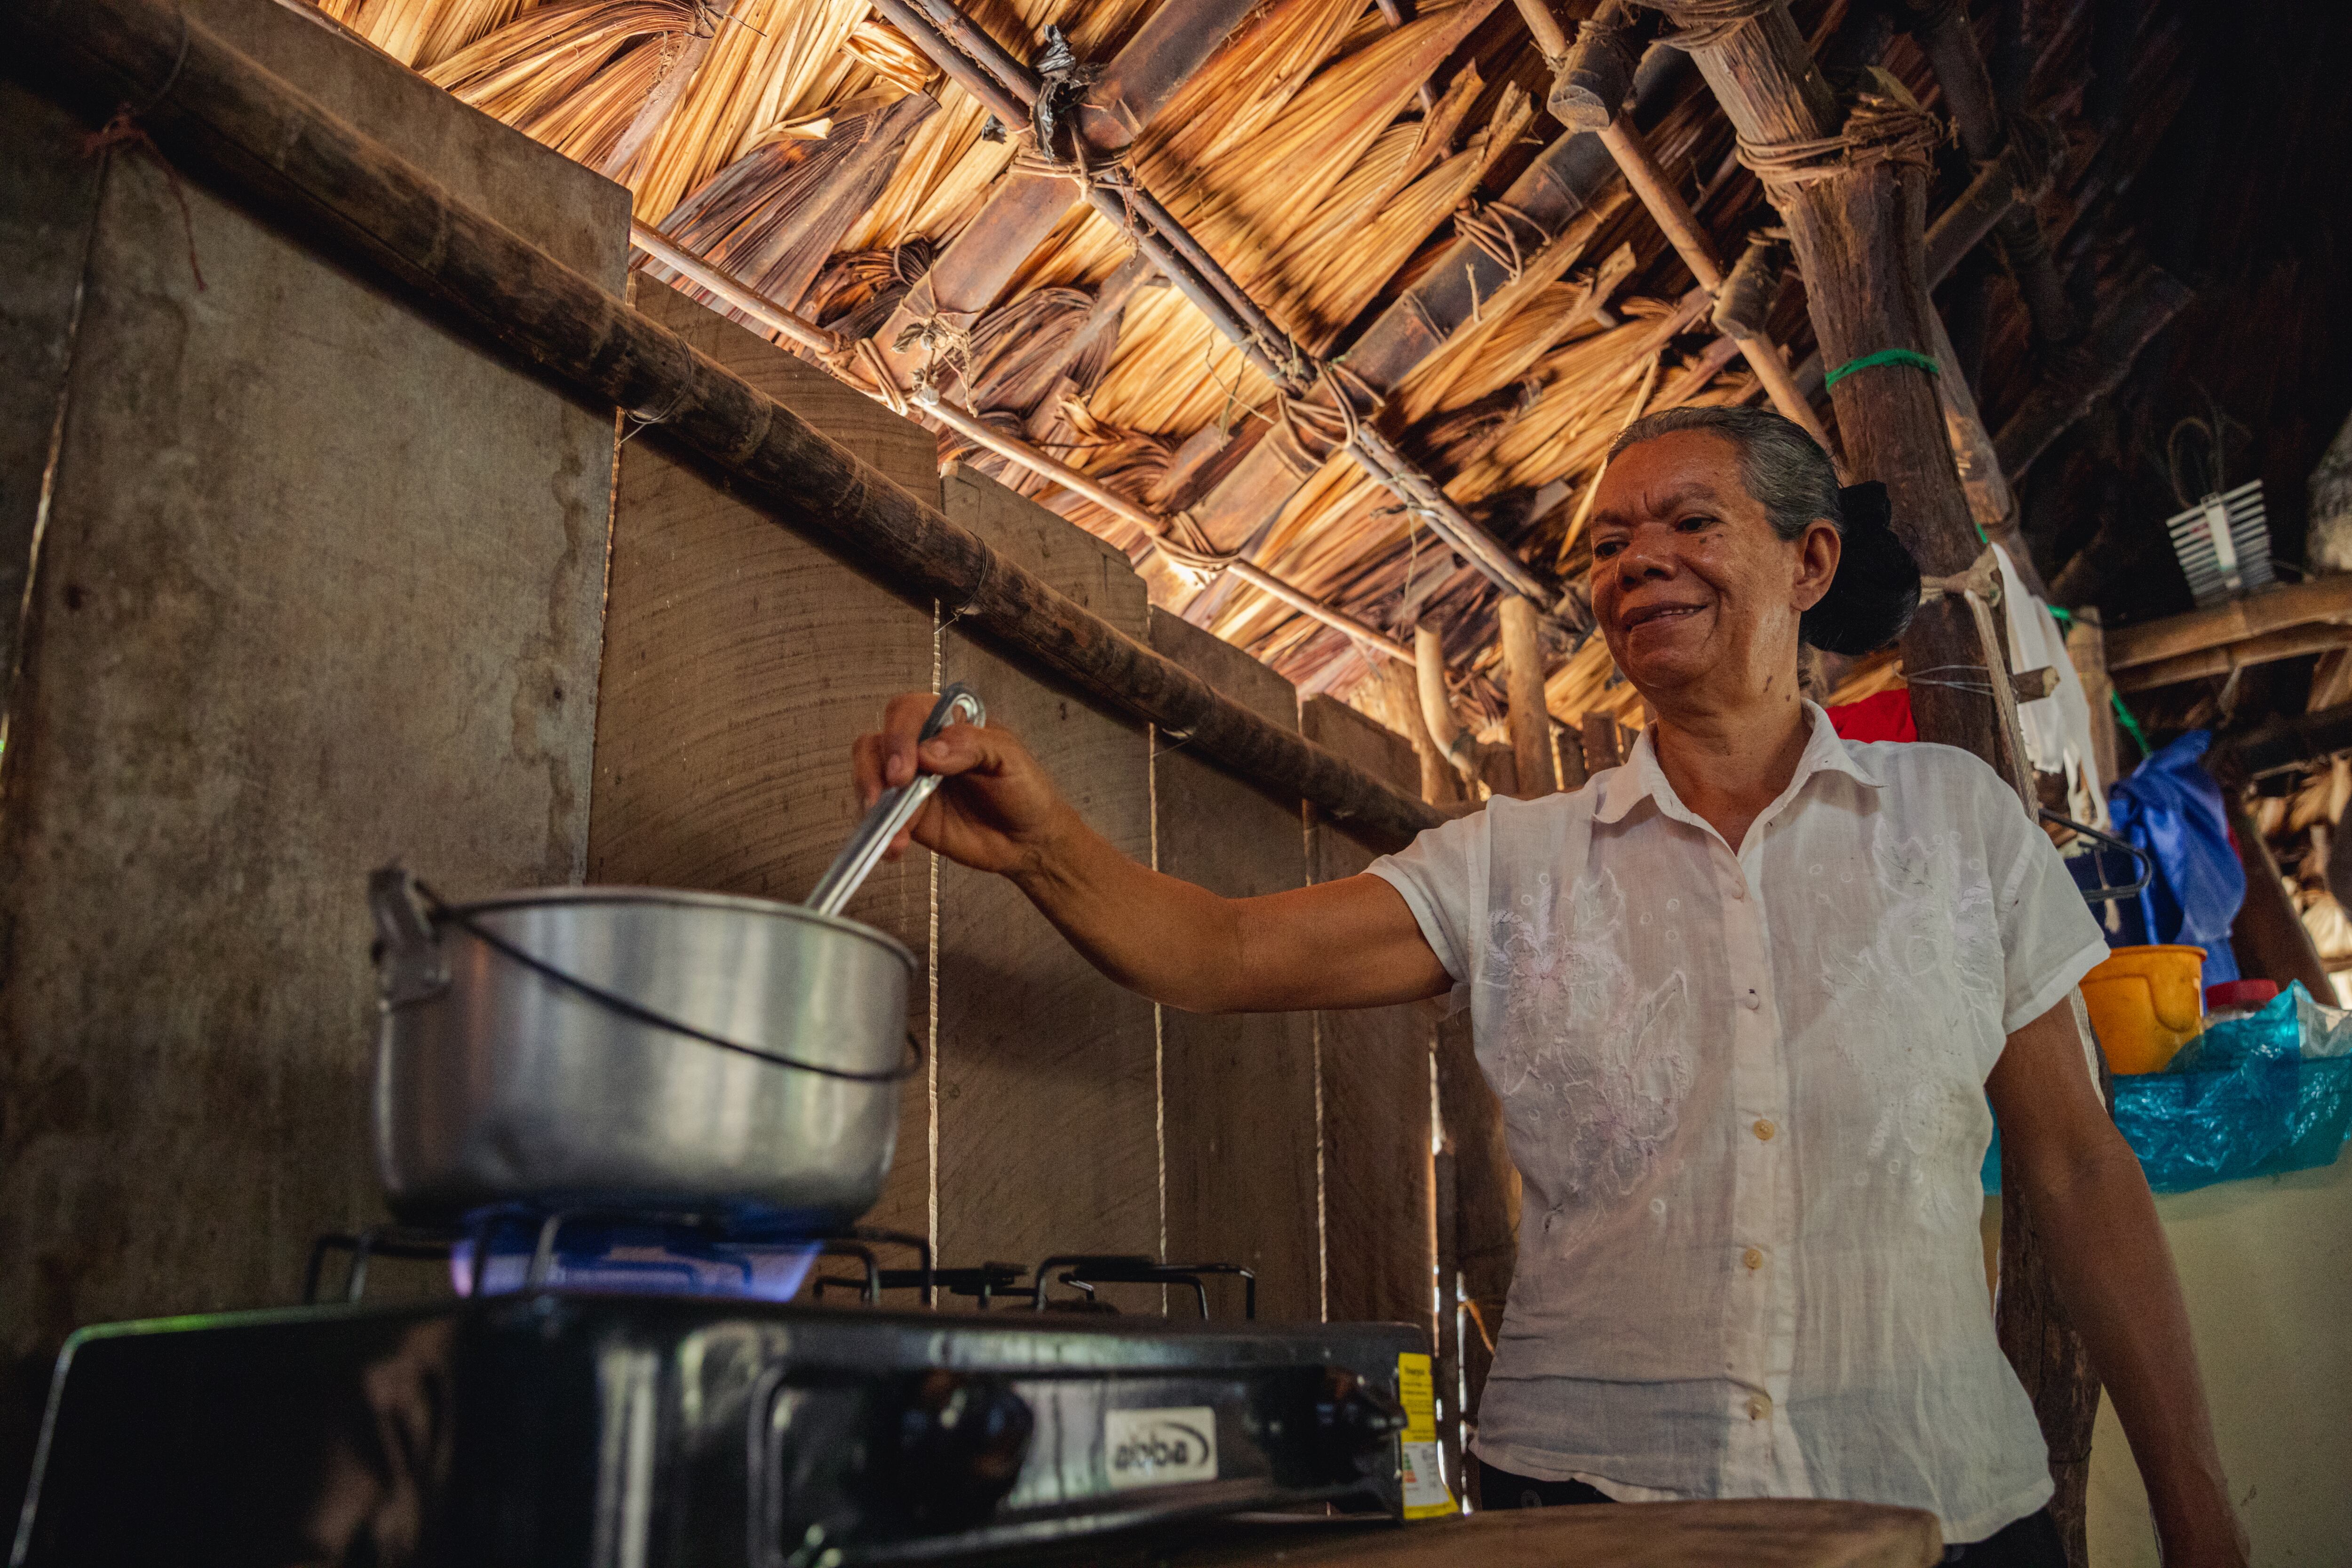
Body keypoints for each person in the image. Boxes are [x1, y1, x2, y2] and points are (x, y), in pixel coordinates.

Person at [850, 406, 2247, 1567]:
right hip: (1595, 1518)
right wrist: (1045, 845)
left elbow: (2074, 1173)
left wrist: (2198, 1512)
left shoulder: (1957, 821)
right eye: (1611, 543)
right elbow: (1217, 953)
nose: (1641, 561)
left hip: (1942, 1506)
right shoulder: (1512, 868)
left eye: (1691, 523)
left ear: (1809, 560)